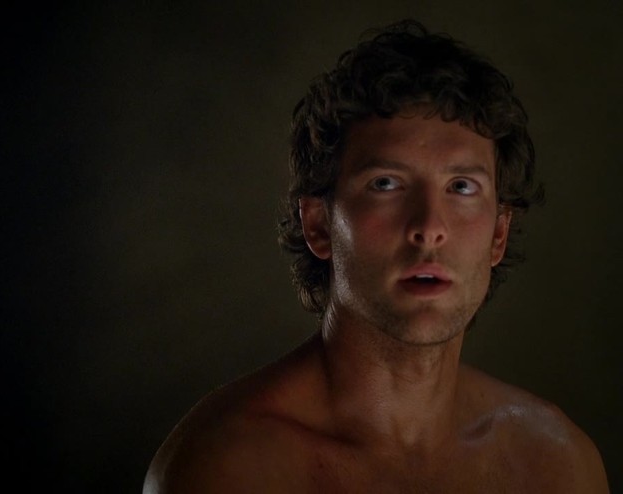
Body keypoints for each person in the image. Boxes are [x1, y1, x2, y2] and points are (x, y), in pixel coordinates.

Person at [143, 20, 609, 493]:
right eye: (386, 184)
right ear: (319, 225)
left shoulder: (556, 464)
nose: (429, 226)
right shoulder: (228, 468)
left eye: (462, 187)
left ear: (498, 235)